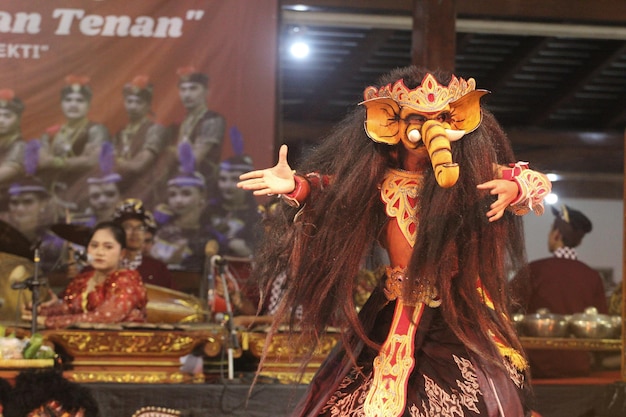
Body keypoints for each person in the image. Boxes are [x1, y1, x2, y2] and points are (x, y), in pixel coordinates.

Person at [238, 67, 551, 416]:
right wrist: (295, 186)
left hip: (455, 309)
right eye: (420, 119)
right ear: (390, 123)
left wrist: (515, 187)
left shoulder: (473, 175)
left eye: (443, 119)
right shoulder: (375, 181)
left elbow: (534, 181)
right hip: (392, 305)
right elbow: (328, 188)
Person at [510, 204, 608, 378]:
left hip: (536, 370)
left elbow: (505, 307)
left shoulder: (535, 270)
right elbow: (602, 321)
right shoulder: (592, 276)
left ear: (556, 235)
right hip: (579, 369)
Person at [23, 221, 147, 329]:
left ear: (122, 253)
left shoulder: (127, 281)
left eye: (108, 247)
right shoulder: (84, 279)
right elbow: (68, 309)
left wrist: (48, 321)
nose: (99, 252)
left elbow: (104, 317)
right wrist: (40, 312)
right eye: (94, 246)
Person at [35, 75, 110, 214]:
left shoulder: (96, 130)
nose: (73, 105)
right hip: (52, 195)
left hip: (84, 194)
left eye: (79, 101)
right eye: (68, 100)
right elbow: (41, 161)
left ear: (88, 105)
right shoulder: (51, 133)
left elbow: (92, 162)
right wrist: (78, 160)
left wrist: (54, 161)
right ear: (61, 104)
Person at [114, 75, 171, 208]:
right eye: (129, 101)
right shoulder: (120, 132)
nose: (133, 107)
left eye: (138, 102)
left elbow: (140, 165)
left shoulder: (155, 129)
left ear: (148, 105)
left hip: (144, 190)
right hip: (118, 187)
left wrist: (113, 162)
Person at [170, 66, 226, 197]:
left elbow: (192, 160)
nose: (187, 94)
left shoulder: (212, 119)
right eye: (183, 89)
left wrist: (170, 152)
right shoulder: (183, 121)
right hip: (180, 185)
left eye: (193, 88)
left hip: (204, 186)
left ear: (206, 91)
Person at [112, 198, 174, 289]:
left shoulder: (158, 269)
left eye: (140, 228)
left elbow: (172, 300)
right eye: (128, 227)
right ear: (116, 231)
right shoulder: (104, 266)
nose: (134, 233)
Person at [0, 89, 26, 195]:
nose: (1, 120)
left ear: (18, 120)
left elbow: (5, 172)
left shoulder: (19, 146)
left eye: (7, 116)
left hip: (8, 201)